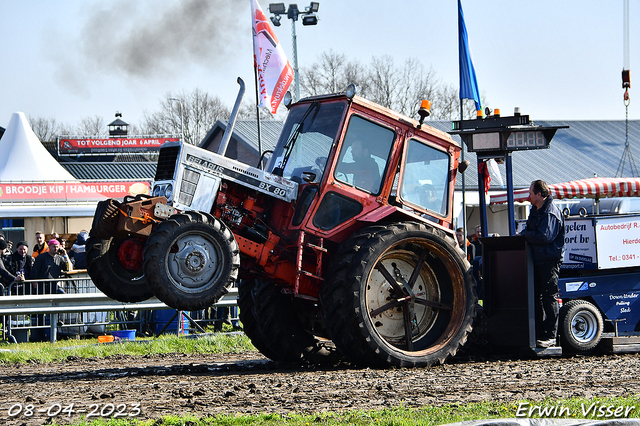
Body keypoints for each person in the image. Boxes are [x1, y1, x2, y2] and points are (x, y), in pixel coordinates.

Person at [520, 180, 565, 348]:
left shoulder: (550, 212)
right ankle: (537, 332)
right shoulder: (536, 210)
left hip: (549, 261)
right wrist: (527, 234)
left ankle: (551, 335)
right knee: (536, 297)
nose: (528, 196)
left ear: (539, 194)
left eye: (530, 193)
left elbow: (545, 237)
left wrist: (525, 235)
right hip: (536, 260)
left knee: (549, 296)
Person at [28, 239, 73, 342]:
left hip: (53, 286)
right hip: (41, 287)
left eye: (57, 247)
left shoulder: (59, 258)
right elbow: (34, 272)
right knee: (41, 312)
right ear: (49, 247)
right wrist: (35, 285)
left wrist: (65, 255)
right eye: (53, 247)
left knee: (60, 300)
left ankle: (57, 321)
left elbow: (68, 268)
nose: (56, 249)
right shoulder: (41, 257)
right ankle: (41, 334)